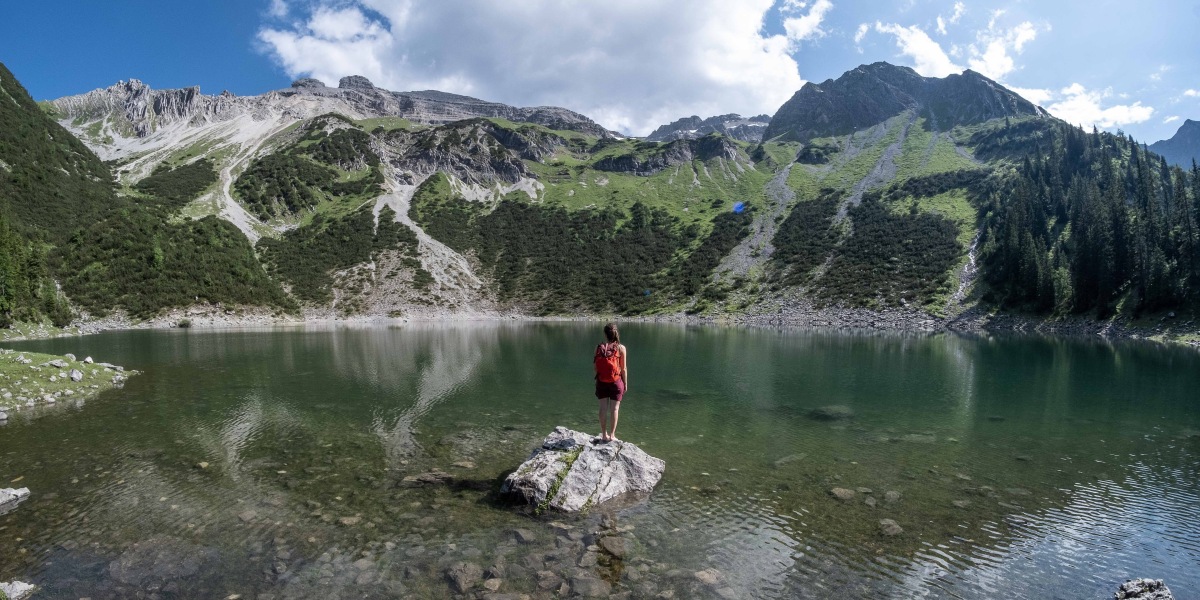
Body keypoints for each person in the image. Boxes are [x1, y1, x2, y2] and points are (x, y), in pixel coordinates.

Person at [593, 322, 628, 443]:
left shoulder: (599, 348)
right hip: (616, 382)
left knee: (603, 408)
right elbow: (623, 368)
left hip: (601, 381)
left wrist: (598, 380)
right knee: (614, 409)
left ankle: (603, 435)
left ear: (605, 334)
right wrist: (625, 384)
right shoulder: (621, 348)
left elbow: (595, 367)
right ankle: (612, 435)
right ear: (616, 333)